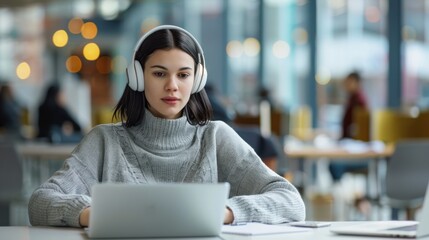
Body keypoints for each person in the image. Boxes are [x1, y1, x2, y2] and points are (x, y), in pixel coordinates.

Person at [28, 25, 305, 227]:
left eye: (183, 75)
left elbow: (291, 202)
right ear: (138, 78)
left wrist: (224, 211)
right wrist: (94, 214)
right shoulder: (104, 141)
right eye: (159, 73)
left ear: (196, 81)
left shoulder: (216, 138)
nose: (172, 85)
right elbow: (40, 202)